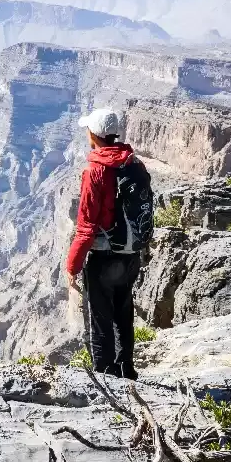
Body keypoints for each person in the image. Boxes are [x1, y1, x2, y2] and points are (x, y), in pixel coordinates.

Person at [65, 108, 149, 380]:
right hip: (131, 254)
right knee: (123, 311)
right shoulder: (134, 163)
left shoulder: (96, 171)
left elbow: (86, 225)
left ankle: (104, 375)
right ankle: (126, 370)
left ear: (93, 135)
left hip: (103, 258)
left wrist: (72, 266)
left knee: (100, 318)